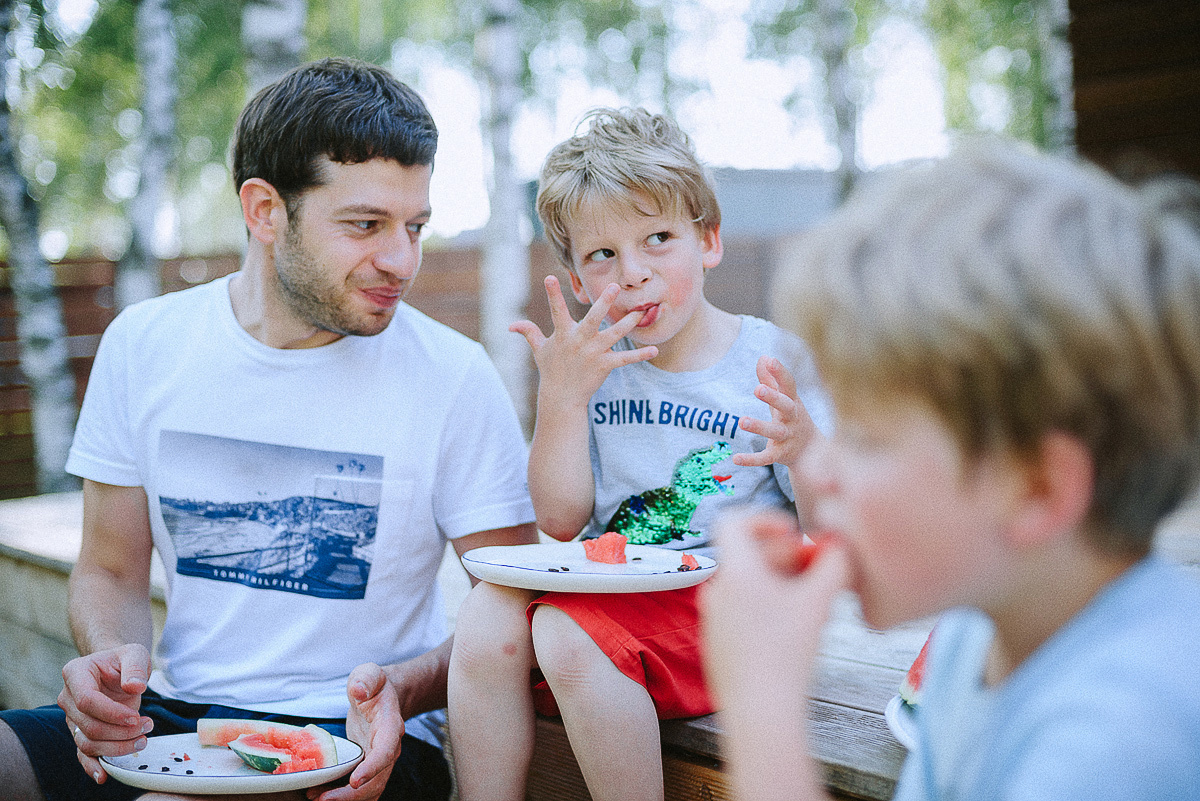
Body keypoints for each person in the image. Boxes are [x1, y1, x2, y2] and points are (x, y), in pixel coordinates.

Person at [0, 58, 537, 801]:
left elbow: (520, 607)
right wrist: (110, 665)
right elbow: (112, 569)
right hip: (178, 721)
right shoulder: (144, 344)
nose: (402, 259)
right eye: (365, 225)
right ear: (263, 210)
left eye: (414, 226)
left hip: (362, 741)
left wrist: (404, 691)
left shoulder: (455, 376)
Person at [701, 141, 1200, 801]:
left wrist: (761, 708)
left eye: (865, 438)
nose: (817, 468)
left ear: (1037, 489)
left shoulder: (1122, 737)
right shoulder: (976, 636)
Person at [446, 107, 831, 801]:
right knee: (483, 613)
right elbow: (562, 523)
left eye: (658, 239)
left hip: (733, 615)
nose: (633, 273)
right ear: (578, 274)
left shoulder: (772, 360)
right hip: (614, 598)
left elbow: (830, 523)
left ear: (708, 240)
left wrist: (803, 449)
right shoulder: (592, 366)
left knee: (565, 631)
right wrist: (562, 399)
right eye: (603, 254)